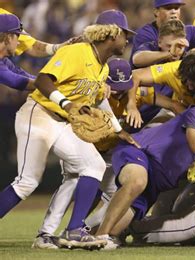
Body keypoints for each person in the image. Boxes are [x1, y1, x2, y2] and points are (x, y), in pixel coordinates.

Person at [0, 9, 137, 250]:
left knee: (93, 165)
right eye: (124, 35)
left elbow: (99, 101)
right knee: (27, 182)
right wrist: (66, 102)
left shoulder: (103, 68)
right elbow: (42, 81)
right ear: (112, 34)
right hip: (39, 114)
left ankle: (74, 230)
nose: (127, 40)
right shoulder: (77, 52)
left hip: (61, 120)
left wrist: (117, 129)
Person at [94, 105, 195, 249]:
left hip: (154, 185)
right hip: (140, 152)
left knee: (115, 230)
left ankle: (88, 235)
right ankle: (100, 237)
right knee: (137, 181)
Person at [131, 0, 195, 68]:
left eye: (176, 8)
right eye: (168, 8)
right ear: (156, 12)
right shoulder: (147, 33)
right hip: (147, 88)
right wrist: (174, 54)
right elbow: (137, 60)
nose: (173, 11)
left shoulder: (189, 31)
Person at [0, 14, 35, 91]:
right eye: (17, 36)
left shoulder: (3, 59)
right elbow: (17, 81)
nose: (18, 43)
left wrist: (53, 81)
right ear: (9, 38)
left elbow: (22, 74)